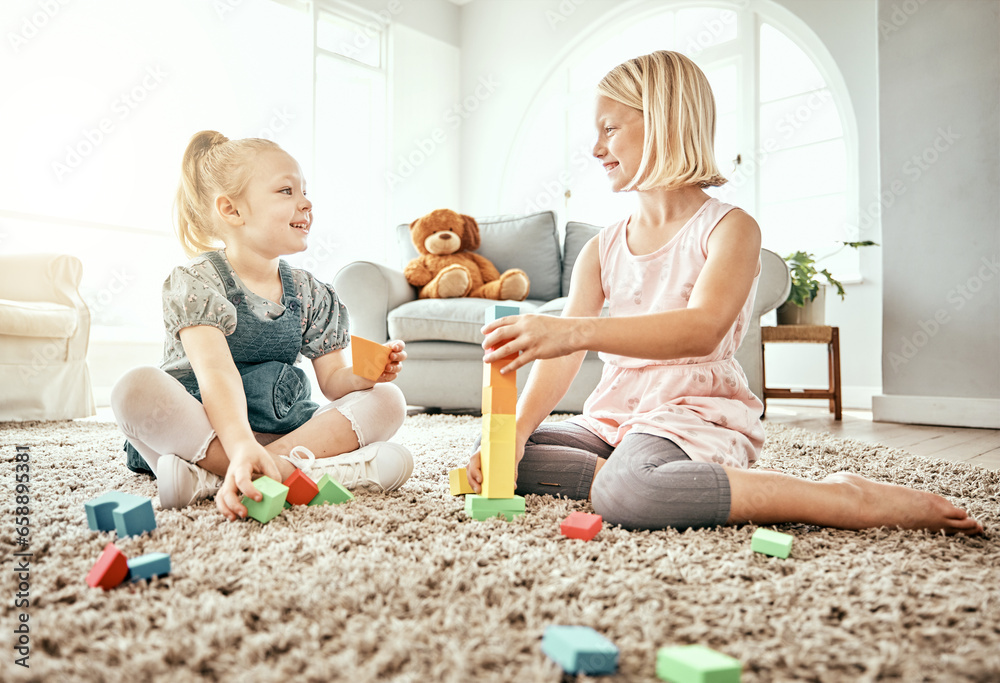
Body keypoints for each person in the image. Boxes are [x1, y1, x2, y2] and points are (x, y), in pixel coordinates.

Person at [466, 51, 982, 536]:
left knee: (631, 494)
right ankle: (639, 476)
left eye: (610, 129)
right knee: (497, 446)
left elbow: (701, 328)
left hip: (692, 410)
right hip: (615, 417)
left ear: (664, 122)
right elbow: (564, 358)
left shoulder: (730, 229)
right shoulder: (600, 249)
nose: (596, 148)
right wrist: (512, 432)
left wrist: (570, 330)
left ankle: (839, 497)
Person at [112, 131, 413, 522]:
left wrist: (365, 375)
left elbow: (333, 380)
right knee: (132, 389)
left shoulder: (310, 293)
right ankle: (282, 469)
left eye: (305, 191)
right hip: (202, 434)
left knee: (389, 400)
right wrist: (238, 445)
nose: (306, 202)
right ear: (233, 211)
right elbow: (216, 374)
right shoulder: (198, 283)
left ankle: (214, 479)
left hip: (281, 430)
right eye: (286, 191)